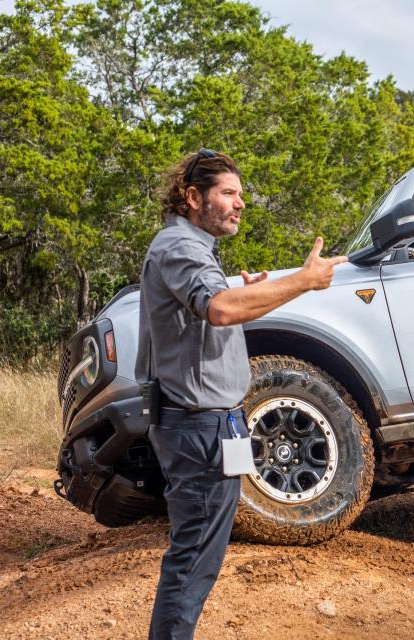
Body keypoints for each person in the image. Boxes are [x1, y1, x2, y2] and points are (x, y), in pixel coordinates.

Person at [135, 148, 347, 639]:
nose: (240, 203)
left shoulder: (195, 248)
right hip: (197, 425)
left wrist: (244, 289)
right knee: (193, 557)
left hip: (213, 422)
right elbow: (221, 310)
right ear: (193, 197)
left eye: (240, 194)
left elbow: (215, 308)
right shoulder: (179, 247)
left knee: (201, 552)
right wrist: (303, 281)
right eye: (228, 193)